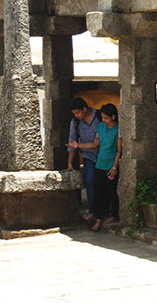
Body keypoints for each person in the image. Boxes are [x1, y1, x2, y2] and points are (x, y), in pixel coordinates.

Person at [84, 103, 122, 231]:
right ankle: (99, 217)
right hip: (100, 163)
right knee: (98, 191)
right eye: (102, 118)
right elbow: (96, 143)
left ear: (113, 117)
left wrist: (115, 167)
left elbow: (119, 150)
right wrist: (79, 145)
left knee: (111, 191)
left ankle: (113, 214)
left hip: (111, 165)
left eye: (106, 118)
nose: (104, 120)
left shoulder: (118, 130)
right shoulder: (100, 127)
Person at [66, 97, 101, 221]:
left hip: (103, 155)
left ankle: (105, 211)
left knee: (104, 184)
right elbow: (72, 142)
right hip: (88, 156)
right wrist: (70, 163)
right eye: (74, 114)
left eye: (78, 112)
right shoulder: (75, 122)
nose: (76, 115)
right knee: (90, 181)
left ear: (85, 109)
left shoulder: (100, 117)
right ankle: (93, 211)